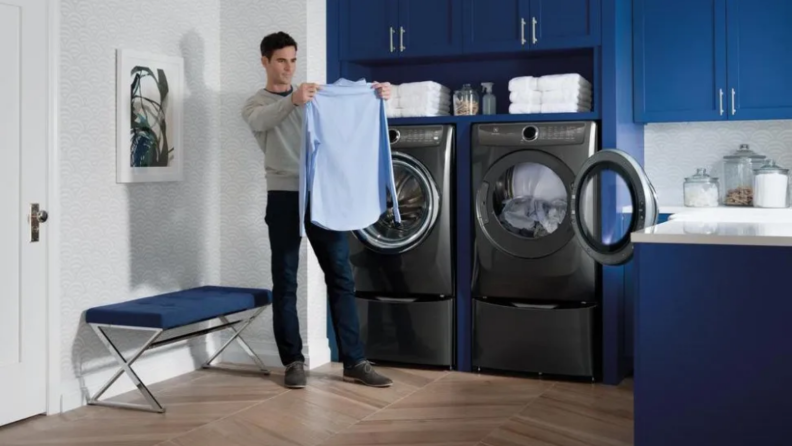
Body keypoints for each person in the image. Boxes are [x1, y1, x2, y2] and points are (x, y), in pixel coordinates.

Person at [241, 31, 394, 389]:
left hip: (323, 194)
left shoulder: (312, 98)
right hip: (283, 195)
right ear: (265, 61)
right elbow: (262, 122)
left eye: (293, 60)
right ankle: (293, 361)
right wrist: (293, 100)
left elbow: (347, 109)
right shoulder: (255, 104)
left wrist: (376, 95)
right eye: (281, 60)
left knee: (341, 275)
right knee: (286, 279)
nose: (288, 67)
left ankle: (354, 361)